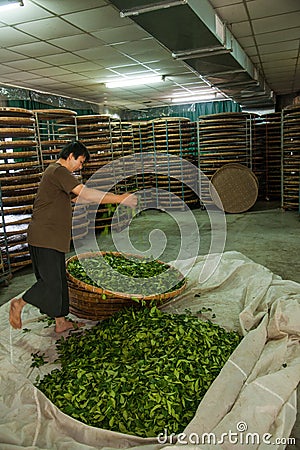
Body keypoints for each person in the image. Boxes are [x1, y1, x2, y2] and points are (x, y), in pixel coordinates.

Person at [9, 141, 137, 333]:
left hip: (53, 237)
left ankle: (61, 322)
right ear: (70, 156)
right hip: (45, 236)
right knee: (50, 282)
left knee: (59, 281)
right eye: (80, 161)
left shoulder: (58, 175)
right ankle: (19, 303)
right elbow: (84, 192)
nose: (80, 166)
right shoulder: (58, 171)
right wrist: (120, 199)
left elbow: (80, 198)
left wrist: (108, 200)